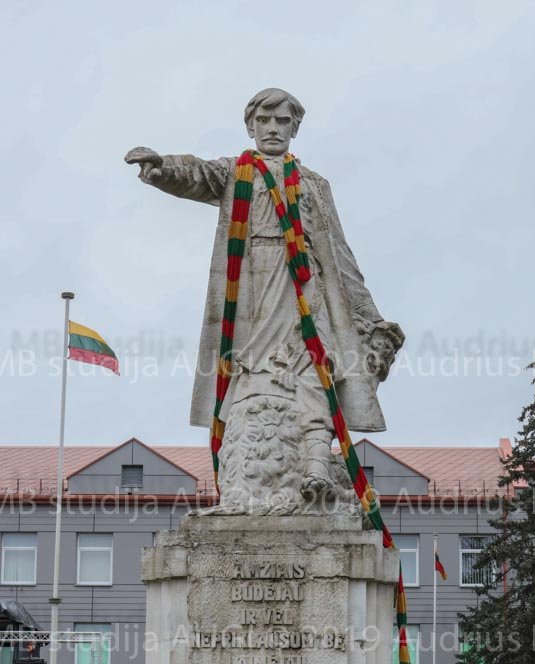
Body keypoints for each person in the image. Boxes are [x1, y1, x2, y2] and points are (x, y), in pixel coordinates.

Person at [125, 88, 403, 509]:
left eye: (282, 121)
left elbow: (339, 253)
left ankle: (316, 465)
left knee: (314, 363)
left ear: (295, 128)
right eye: (264, 121)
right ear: (250, 126)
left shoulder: (314, 184)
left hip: (305, 285)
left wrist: (368, 314)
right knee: (253, 373)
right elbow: (197, 174)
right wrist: (162, 166)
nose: (273, 128)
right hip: (252, 288)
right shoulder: (237, 173)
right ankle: (251, 464)